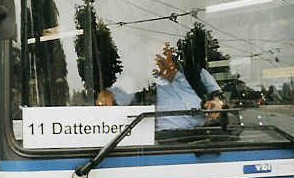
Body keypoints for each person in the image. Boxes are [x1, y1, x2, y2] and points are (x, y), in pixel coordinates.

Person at [96, 43, 224, 130]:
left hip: (204, 137)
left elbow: (220, 98)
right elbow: (116, 95)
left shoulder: (196, 73)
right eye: (154, 58)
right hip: (163, 144)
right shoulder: (144, 83)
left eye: (163, 55)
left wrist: (217, 102)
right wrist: (107, 95)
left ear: (172, 55)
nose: (159, 60)